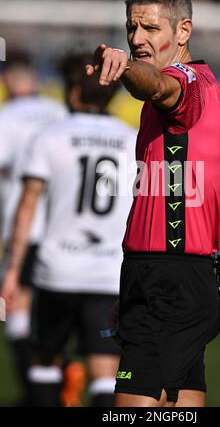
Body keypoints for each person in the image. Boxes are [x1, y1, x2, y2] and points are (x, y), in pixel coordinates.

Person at [86, 0, 220, 407]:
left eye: (150, 28)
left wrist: (124, 66)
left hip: (167, 275)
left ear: (183, 31)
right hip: (170, 275)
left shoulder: (185, 82)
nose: (137, 38)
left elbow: (155, 84)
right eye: (132, 28)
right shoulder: (193, 89)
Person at [1, 54, 136, 406]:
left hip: (56, 272)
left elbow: (28, 204)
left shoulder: (52, 136)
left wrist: (13, 270)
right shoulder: (132, 140)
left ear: (74, 92)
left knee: (44, 359)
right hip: (108, 273)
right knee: (108, 370)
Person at [0, 53, 67, 405]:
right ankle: (59, 379)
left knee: (15, 307)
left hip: (26, 229)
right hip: (63, 228)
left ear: (9, 81)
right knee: (56, 312)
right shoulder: (59, 113)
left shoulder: (6, 117)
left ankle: (35, 393)